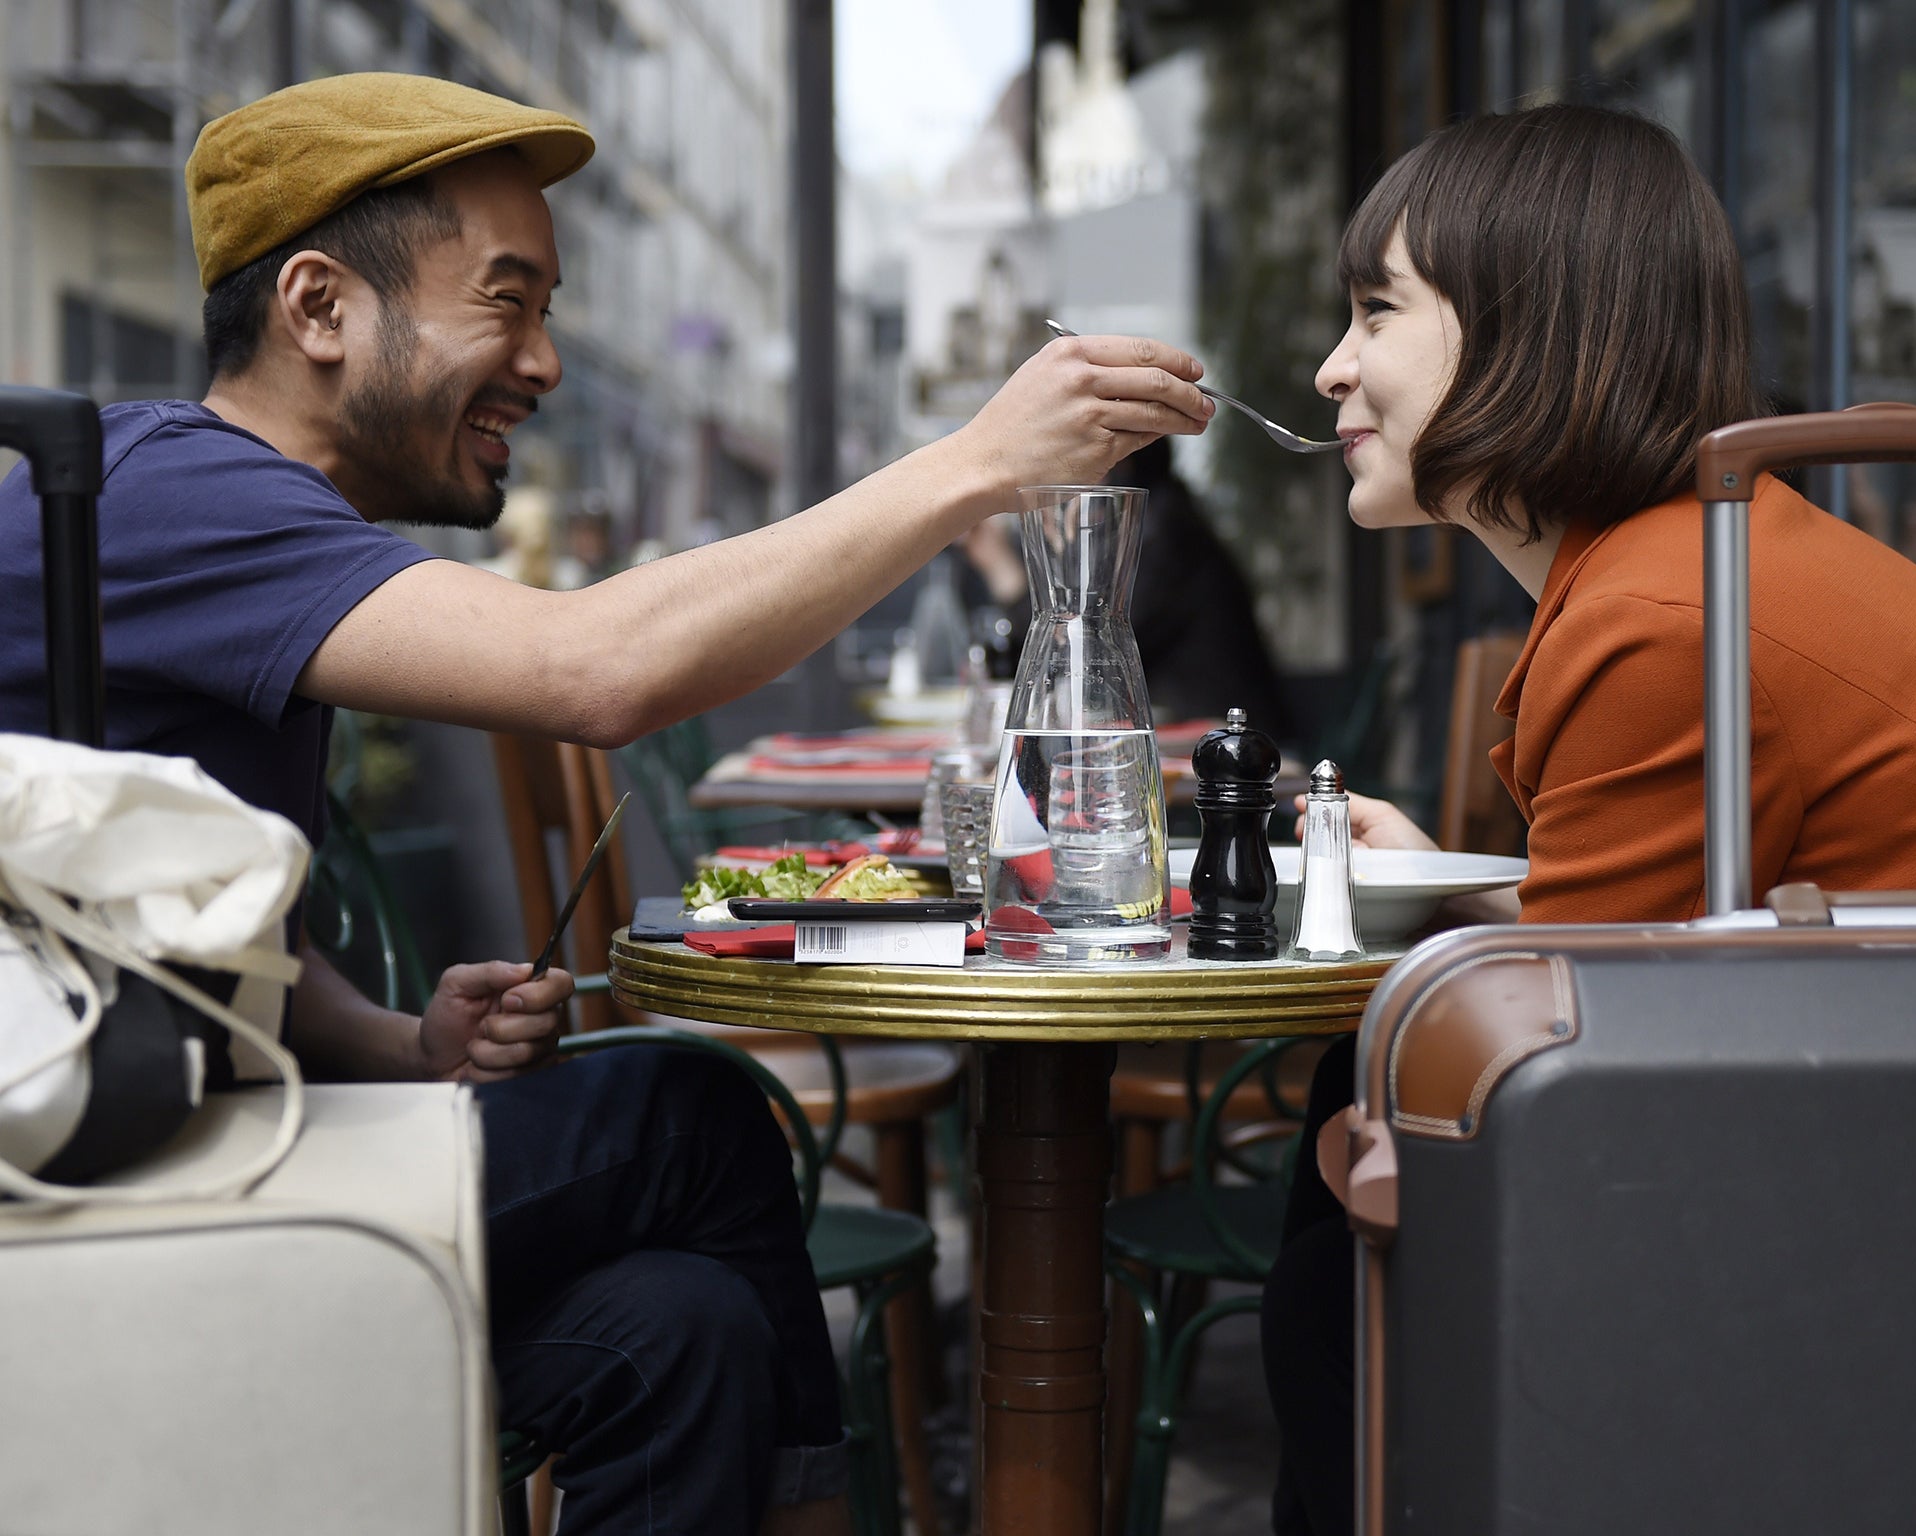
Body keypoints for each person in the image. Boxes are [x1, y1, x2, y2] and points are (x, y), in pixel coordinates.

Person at [0, 72, 1213, 1536]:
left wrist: (402, 1040)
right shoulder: (176, 498)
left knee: (680, 1328)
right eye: (505, 300)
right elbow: (600, 667)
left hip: (167, 1137)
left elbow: (160, 911)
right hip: (84, 1204)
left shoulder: (220, 520)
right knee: (685, 1111)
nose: (549, 361)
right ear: (318, 307)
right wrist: (974, 465)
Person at [1258, 104, 1916, 1536]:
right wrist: (1461, 894)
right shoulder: (1677, 568)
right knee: (1341, 1118)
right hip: (1887, 1104)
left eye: (1375, 312)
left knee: (1321, 1278)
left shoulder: (1660, 613)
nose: (1333, 368)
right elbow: (1666, 953)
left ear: (1526, 327)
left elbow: (1584, 1059)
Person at [956, 437, 1290, 732]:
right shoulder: (1149, 520)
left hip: (1227, 760)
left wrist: (1002, 566)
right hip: (1182, 742)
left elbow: (1083, 651)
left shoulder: (1158, 530)